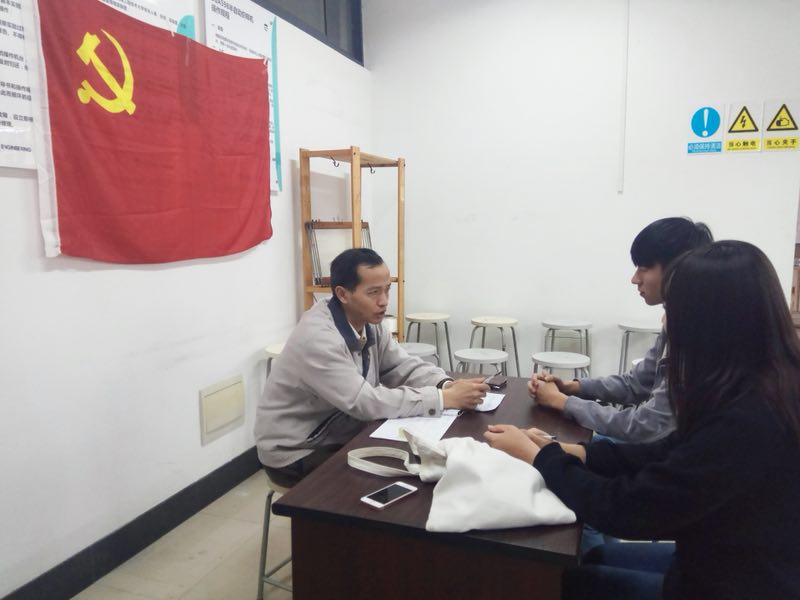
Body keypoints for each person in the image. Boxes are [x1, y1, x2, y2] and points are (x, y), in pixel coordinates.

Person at [485, 240, 800, 599]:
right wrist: (572, 451)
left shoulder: (748, 420)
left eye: (675, 311)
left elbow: (626, 510)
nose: (667, 323)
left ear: (710, 323)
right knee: (593, 559)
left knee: (569, 581)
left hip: (737, 580)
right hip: (727, 557)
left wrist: (542, 457)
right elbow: (668, 452)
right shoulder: (762, 382)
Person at [255, 248, 488, 487]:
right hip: (297, 450)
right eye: (373, 292)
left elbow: (400, 365)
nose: (384, 301)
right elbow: (364, 402)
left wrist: (445, 385)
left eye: (387, 289)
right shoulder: (318, 338)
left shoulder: (367, 320)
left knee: (421, 461)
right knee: (399, 479)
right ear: (343, 294)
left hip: (340, 431)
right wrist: (442, 399)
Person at [531, 217, 713, 443]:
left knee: (548, 448)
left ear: (678, 271)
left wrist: (560, 401)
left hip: (671, 454)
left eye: (644, 269)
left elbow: (643, 426)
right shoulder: (676, 320)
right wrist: (572, 387)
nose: (635, 279)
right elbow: (635, 384)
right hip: (659, 447)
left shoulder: (696, 337)